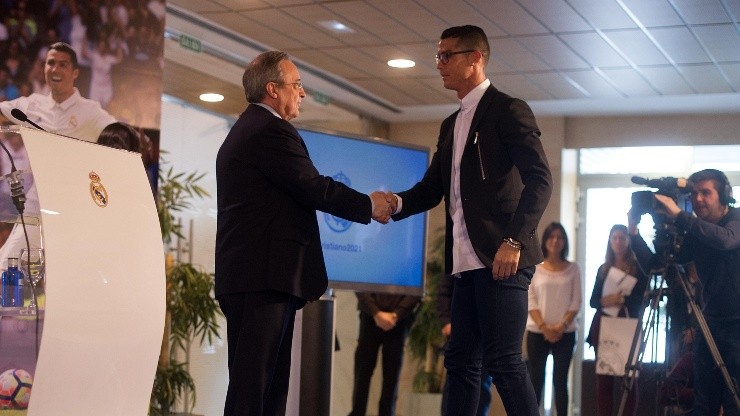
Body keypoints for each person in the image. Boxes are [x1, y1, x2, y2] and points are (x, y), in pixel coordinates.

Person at [215, 50, 393, 416]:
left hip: (259, 278)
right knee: (255, 390)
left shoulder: (252, 128)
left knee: (265, 389)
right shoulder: (269, 130)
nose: (303, 93)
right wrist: (367, 205)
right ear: (272, 90)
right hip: (261, 279)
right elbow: (311, 186)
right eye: (296, 85)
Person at [386, 25, 553, 416]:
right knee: (460, 363)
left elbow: (540, 179)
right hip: (464, 266)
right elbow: (431, 190)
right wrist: (393, 203)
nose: (439, 65)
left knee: (505, 362)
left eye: (447, 56)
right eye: (438, 56)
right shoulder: (450, 124)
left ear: (475, 58)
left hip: (501, 259)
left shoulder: (508, 110)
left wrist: (512, 241)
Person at [631, 168, 739, 415]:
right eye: (695, 193)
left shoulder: (736, 218)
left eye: (706, 193)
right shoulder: (696, 232)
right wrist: (634, 233)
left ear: (723, 195)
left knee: (735, 400)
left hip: (737, 325)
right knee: (704, 403)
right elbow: (659, 266)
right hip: (709, 323)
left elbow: (726, 239)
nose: (698, 198)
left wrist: (681, 216)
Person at [585, 224, 649, 416]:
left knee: (629, 378)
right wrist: (606, 300)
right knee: (604, 378)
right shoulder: (603, 269)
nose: (619, 242)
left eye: (622, 237)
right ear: (610, 241)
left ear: (629, 241)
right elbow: (593, 301)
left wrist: (623, 299)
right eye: (615, 238)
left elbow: (643, 301)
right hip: (604, 324)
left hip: (628, 324)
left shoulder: (640, 269)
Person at [0, 42, 115, 142]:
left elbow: (121, 135)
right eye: (51, 63)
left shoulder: (91, 111)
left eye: (62, 65)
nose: (55, 69)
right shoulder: (31, 105)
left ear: (75, 73)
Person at [526, 222, 582, 416]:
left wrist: (560, 326)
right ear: (545, 241)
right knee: (535, 380)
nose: (555, 241)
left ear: (564, 241)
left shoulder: (573, 268)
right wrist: (544, 327)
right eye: (551, 237)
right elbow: (530, 300)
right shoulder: (535, 268)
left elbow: (576, 302)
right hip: (537, 332)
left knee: (560, 381)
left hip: (565, 333)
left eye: (560, 237)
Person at [348, 292, 421, 416]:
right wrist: (375, 312)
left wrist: (397, 314)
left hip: (399, 320)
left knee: (392, 375)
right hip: (369, 316)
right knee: (362, 371)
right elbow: (360, 282)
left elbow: (417, 287)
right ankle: (357, 412)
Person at [436, 273, 493, 416]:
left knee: (483, 384)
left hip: (487, 331)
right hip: (460, 330)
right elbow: (444, 292)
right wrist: (446, 322)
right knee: (455, 382)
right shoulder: (460, 256)